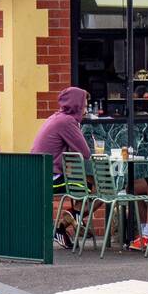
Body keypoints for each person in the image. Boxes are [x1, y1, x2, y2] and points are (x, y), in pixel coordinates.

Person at [31, 87, 98, 249]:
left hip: (38, 172)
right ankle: (70, 219)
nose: (86, 108)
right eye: (84, 104)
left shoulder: (56, 117)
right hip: (50, 177)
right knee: (100, 191)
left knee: (90, 183)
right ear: (76, 104)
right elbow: (85, 152)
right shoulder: (67, 122)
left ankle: (70, 219)